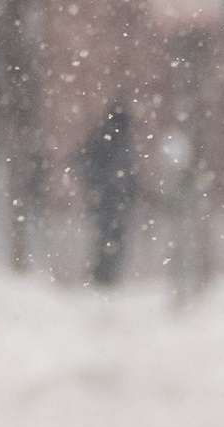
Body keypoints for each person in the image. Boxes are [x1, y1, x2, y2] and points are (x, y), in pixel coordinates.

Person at [77, 100, 137, 288]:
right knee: (110, 237)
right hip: (110, 198)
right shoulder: (111, 140)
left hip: (111, 197)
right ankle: (104, 274)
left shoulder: (109, 138)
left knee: (108, 237)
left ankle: (104, 274)